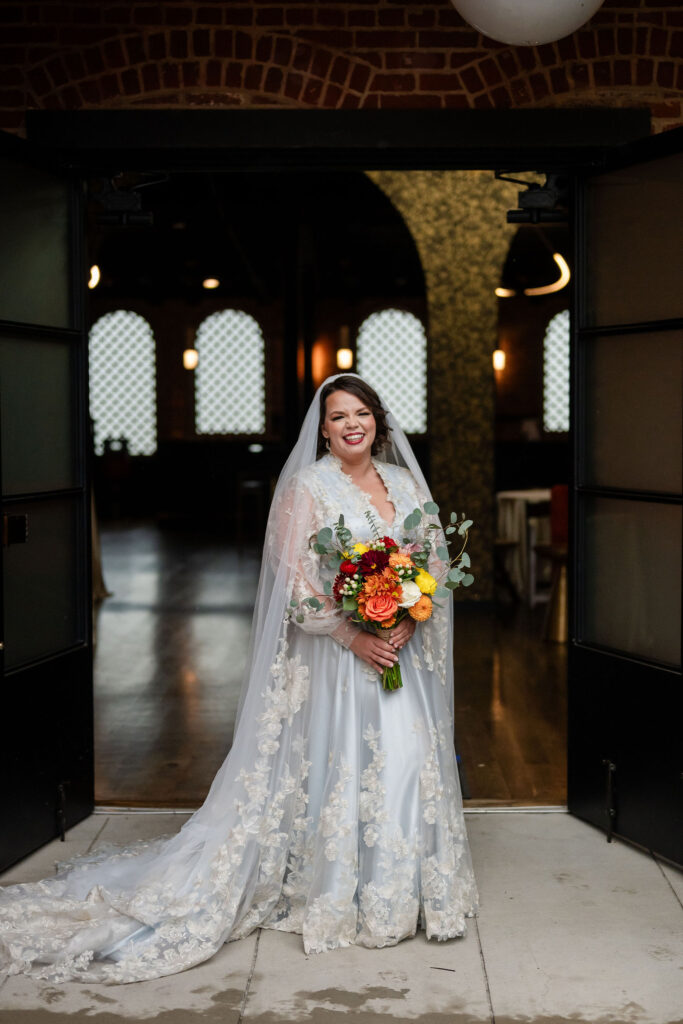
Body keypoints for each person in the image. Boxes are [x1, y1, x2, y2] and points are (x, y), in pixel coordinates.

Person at [0, 374, 477, 984]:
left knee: (407, 763)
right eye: (338, 417)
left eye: (361, 413)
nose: (351, 425)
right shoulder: (307, 487)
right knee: (343, 769)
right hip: (339, 661)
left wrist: (409, 613)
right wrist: (353, 635)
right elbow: (292, 580)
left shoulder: (405, 483)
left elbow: (432, 558)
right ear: (323, 430)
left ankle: (402, 896)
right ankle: (336, 893)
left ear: (378, 422)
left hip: (399, 654)